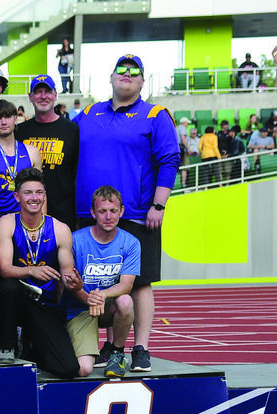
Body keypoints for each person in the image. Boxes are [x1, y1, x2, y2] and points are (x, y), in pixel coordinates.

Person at [73, 54, 179, 372]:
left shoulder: (156, 115)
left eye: (135, 72)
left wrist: (158, 205)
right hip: (86, 213)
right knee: (94, 279)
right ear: (112, 77)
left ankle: (141, 347)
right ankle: (109, 344)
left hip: (134, 214)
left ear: (143, 81)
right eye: (122, 70)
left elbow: (169, 160)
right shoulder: (88, 113)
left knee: (140, 283)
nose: (127, 75)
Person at [0, 167, 77, 375]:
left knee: (67, 368)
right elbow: (5, 269)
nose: (34, 198)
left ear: (45, 196)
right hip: (16, 301)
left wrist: (75, 283)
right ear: (17, 197)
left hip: (45, 305)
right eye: (28, 193)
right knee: (8, 287)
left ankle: (32, 345)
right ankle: (7, 345)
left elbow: (67, 277)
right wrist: (32, 270)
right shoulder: (6, 223)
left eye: (39, 192)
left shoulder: (60, 229)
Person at [62, 186, 139, 378]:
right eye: (102, 211)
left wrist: (100, 295)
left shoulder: (131, 243)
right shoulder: (75, 240)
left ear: (121, 211)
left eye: (113, 211)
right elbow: (69, 284)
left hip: (106, 305)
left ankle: (117, 353)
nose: (108, 216)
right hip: (80, 308)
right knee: (84, 369)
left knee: (126, 301)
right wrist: (89, 299)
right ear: (93, 212)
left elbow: (126, 285)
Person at [17, 74, 80, 228]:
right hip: (28, 212)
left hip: (63, 210)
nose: (43, 96)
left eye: (48, 91)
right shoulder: (20, 131)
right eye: (38, 92)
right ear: (30, 97)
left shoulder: (71, 129)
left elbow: (76, 172)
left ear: (55, 95)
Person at [176, 116, 191, 187]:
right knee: (184, 166)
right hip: (181, 148)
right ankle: (183, 183)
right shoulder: (182, 128)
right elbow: (183, 138)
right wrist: (188, 148)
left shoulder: (176, 128)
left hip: (175, 148)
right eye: (187, 123)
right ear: (184, 123)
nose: (187, 125)